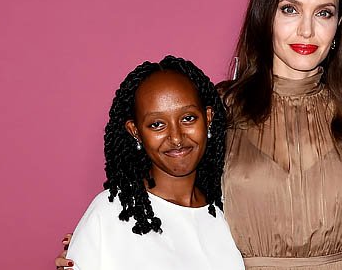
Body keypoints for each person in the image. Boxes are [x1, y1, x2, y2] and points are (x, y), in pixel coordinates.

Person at [57, 0, 342, 270]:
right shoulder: (223, 110)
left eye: (324, 13)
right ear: (265, 14)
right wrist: (102, 244)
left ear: (339, 24)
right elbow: (177, 207)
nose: (306, 30)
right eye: (290, 9)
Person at [62, 56, 244, 270]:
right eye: (157, 124)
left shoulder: (228, 213)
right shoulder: (109, 214)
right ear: (135, 131)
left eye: (188, 118)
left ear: (208, 118)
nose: (176, 138)